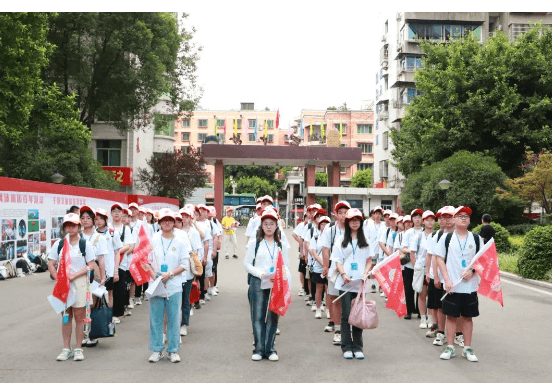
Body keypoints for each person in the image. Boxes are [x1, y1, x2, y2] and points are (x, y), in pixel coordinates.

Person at [435, 206, 483, 362]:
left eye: (467, 216)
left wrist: (473, 271)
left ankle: (467, 348)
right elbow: (440, 259)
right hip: (452, 286)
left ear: (469, 221)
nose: (464, 218)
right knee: (451, 317)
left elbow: (481, 260)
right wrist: (446, 279)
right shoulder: (447, 238)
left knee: (468, 318)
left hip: (470, 286)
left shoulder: (476, 239)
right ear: (454, 219)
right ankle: (450, 347)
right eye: (460, 215)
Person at [48, 213, 96, 361]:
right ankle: (66, 348)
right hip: (63, 286)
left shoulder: (85, 244)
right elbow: (51, 263)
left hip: (79, 284)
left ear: (79, 227)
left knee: (79, 317)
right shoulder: (59, 244)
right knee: (66, 317)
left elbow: (92, 265)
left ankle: (78, 348)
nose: (70, 227)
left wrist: (74, 276)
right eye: (67, 225)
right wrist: (59, 279)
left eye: (73, 225)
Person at [244, 209, 290, 361]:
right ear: (261, 226)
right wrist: (261, 275)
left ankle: (270, 349)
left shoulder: (281, 244)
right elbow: (247, 264)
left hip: (276, 284)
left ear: (277, 225)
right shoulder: (254, 243)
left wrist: (284, 281)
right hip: (258, 282)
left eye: (272, 224)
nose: (269, 227)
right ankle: (258, 349)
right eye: (266, 224)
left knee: (273, 317)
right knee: (257, 316)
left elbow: (286, 266)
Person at [145, 209, 190, 363]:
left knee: (173, 318)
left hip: (174, 285)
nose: (167, 222)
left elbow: (185, 264)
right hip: (156, 285)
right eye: (164, 220)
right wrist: (153, 276)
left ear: (174, 222)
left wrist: (170, 274)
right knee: (156, 319)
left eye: (170, 220)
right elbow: (146, 261)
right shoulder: (154, 238)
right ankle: (157, 349)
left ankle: (173, 350)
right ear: (159, 222)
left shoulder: (180, 240)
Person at [331, 208, 374, 360]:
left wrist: (365, 273)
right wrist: (343, 274)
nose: (355, 222)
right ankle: (346, 346)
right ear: (348, 222)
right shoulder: (341, 239)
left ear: (361, 222)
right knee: (346, 315)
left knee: (358, 314)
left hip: (360, 283)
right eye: (352, 220)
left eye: (357, 220)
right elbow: (337, 260)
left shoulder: (366, 240)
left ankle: (358, 346)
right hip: (345, 283)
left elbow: (369, 261)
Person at [79, 206, 108, 347]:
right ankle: (82, 336)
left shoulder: (99, 238)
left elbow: (101, 260)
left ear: (93, 220)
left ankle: (90, 334)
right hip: (79, 274)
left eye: (88, 218)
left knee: (91, 305)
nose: (85, 220)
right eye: (82, 218)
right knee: (80, 306)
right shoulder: (77, 236)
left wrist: (102, 277)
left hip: (94, 273)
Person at [322, 200, 350, 345]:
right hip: (334, 270)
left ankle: (350, 329)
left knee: (350, 300)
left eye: (346, 212)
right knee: (335, 299)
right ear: (336, 215)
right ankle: (338, 330)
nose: (343, 215)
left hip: (351, 270)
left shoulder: (355, 228)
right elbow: (325, 249)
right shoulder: (330, 229)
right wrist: (326, 266)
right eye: (340, 212)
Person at [410, 210, 435, 330]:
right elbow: (412, 253)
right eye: (428, 220)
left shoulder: (437, 235)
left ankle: (430, 318)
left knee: (431, 295)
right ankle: (423, 318)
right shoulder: (418, 236)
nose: (430, 222)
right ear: (424, 221)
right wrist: (416, 267)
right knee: (421, 294)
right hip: (421, 268)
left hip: (433, 270)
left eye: (432, 219)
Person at [179, 207, 203, 336]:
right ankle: (176, 322)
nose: (184, 219)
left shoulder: (193, 232)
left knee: (186, 299)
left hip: (188, 269)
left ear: (190, 218)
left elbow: (197, 250)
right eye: (182, 216)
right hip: (177, 270)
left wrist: (196, 269)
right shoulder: (176, 231)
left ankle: (184, 324)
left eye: (186, 217)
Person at [94, 208, 122, 312]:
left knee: (109, 293)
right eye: (96, 219)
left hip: (109, 270)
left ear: (106, 219)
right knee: (96, 294)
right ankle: (98, 318)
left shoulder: (112, 233)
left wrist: (116, 271)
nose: (98, 221)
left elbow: (117, 252)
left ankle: (109, 317)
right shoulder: (93, 234)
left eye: (101, 219)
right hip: (97, 270)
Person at [110, 204, 134, 324]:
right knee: (109, 289)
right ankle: (109, 312)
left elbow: (128, 245)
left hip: (121, 263)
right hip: (109, 263)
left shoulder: (126, 229)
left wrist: (117, 251)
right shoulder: (108, 227)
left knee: (119, 289)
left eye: (118, 211)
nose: (116, 213)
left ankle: (117, 313)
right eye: (114, 211)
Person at [309, 215, 331, 319]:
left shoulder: (332, 236)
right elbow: (313, 252)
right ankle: (318, 308)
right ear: (319, 226)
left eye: (326, 224)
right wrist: (323, 263)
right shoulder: (316, 236)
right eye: (322, 224)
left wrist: (327, 264)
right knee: (319, 288)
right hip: (318, 267)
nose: (324, 226)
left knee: (328, 289)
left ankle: (328, 309)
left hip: (330, 267)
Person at [363, 206, 383, 293]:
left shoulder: (384, 225)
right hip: (373, 250)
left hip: (382, 251)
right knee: (372, 267)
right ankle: (373, 284)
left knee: (382, 268)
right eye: (376, 213)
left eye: (379, 214)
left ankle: (382, 286)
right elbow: (366, 237)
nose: (378, 215)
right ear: (373, 215)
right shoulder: (369, 225)